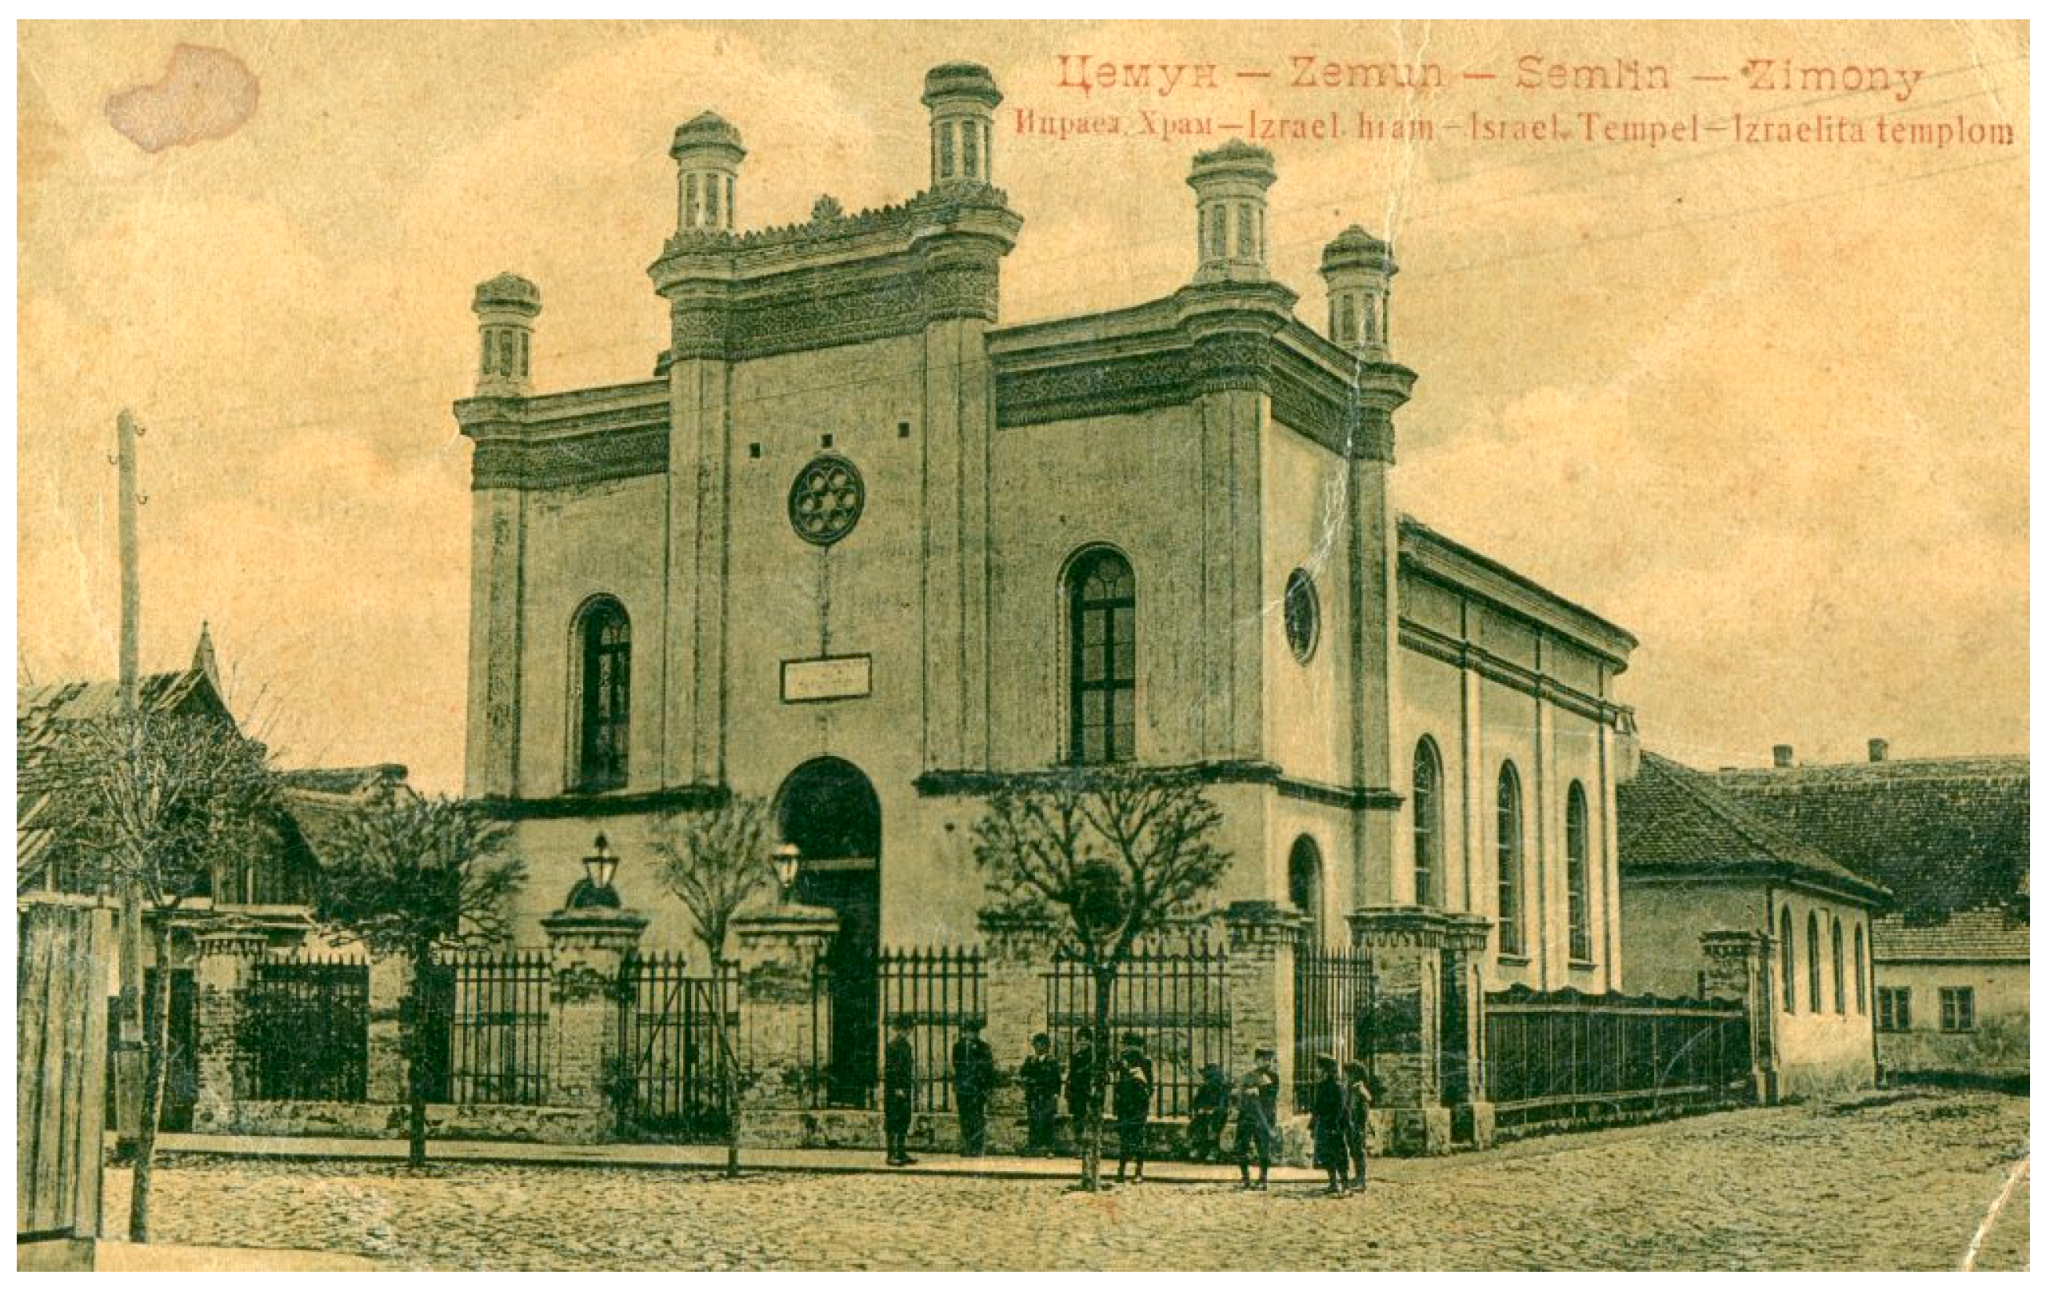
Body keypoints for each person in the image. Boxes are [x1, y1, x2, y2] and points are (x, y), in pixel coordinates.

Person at [1232, 1046, 1281, 1189]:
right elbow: (1239, 1094)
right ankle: (1245, 1177)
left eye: (1269, 1060)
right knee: (1241, 1147)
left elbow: (1272, 1094)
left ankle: (1263, 1178)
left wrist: (1259, 1090)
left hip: (1263, 1117)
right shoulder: (1248, 1076)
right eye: (1263, 1060)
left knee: (1263, 1148)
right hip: (1246, 1116)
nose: (1267, 1063)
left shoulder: (1273, 1077)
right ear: (1256, 1061)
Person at [951, 1015, 997, 1157]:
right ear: (964, 1032)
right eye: (968, 1031)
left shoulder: (984, 1047)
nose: (971, 1034)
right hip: (963, 1088)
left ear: (977, 1033)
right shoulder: (957, 1047)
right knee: (964, 1117)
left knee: (977, 1117)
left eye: (974, 1032)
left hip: (977, 1089)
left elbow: (988, 1068)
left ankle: (977, 1147)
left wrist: (987, 1088)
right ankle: (967, 1146)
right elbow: (956, 1066)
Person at [1112, 1032, 1154, 1183]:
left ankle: (1138, 1170)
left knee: (1137, 1137)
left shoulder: (1144, 1062)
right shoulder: (1122, 1062)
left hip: (1137, 1106)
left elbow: (1150, 1087)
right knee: (1125, 1138)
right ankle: (1122, 1170)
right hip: (1125, 1105)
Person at [1309, 1054, 1352, 1196]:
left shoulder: (1337, 1086)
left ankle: (1346, 1185)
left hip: (1335, 1125)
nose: (1316, 1071)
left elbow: (1340, 1108)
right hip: (1324, 1124)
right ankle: (1333, 1183)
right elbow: (1317, 1107)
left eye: (1319, 1068)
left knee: (1339, 1154)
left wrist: (1335, 1126)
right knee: (1326, 1154)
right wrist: (1313, 1123)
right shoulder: (1321, 1085)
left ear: (1326, 1069)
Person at [1018, 1031, 1064, 1157]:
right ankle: (1033, 1146)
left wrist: (1055, 1094)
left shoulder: (1052, 1061)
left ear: (1046, 1046)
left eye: (1042, 1044)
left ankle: (1049, 1147)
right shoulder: (1030, 1060)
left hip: (1047, 1095)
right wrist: (1027, 1080)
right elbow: (1022, 1073)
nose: (1038, 1047)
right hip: (1033, 1095)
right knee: (1033, 1120)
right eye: (1036, 1044)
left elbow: (1056, 1079)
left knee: (1048, 1121)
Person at [883, 1014, 917, 1167]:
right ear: (899, 1030)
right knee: (893, 1121)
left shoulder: (906, 1046)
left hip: (905, 1087)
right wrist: (897, 1088)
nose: (908, 1032)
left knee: (904, 1119)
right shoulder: (892, 1046)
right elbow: (891, 1070)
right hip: (894, 1089)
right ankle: (891, 1154)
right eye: (906, 1029)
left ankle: (901, 1152)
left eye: (909, 1029)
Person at [1188, 1064, 1231, 1163]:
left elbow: (1223, 1105)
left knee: (1214, 1126)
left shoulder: (1222, 1088)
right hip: (1204, 1114)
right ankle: (1197, 1149)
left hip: (1218, 1114)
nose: (1206, 1080)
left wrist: (1213, 1110)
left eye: (1208, 1078)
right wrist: (1199, 1109)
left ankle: (1213, 1151)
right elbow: (1196, 1102)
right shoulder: (1203, 1088)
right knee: (1197, 1124)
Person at [1065, 1032, 1101, 1149]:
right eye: (1080, 1040)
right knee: (1078, 1118)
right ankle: (1079, 1145)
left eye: (1086, 1040)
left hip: (1090, 1091)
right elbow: (1071, 1074)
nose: (1083, 1042)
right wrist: (1068, 1089)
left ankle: (1091, 1145)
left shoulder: (1094, 1057)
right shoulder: (1076, 1056)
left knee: (1091, 1119)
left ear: (1090, 1041)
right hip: (1077, 1092)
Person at [1343, 1062, 1374, 1194]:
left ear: (1355, 1074)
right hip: (1353, 1124)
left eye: (1349, 1074)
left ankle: (1362, 1181)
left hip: (1357, 1126)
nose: (1347, 1076)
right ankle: (1358, 1177)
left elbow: (1363, 1110)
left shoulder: (1359, 1089)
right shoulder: (1352, 1088)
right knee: (1355, 1152)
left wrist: (1359, 1125)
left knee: (1359, 1152)